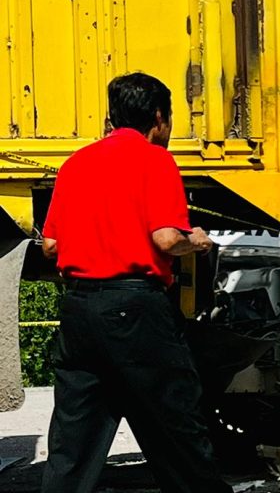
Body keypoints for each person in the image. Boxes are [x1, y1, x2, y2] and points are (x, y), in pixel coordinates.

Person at [40, 73, 230, 493]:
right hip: (135, 309)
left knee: (74, 438)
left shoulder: (76, 164)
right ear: (159, 117)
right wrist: (195, 241)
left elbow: (51, 245)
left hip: (79, 311)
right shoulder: (154, 160)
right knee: (176, 426)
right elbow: (165, 238)